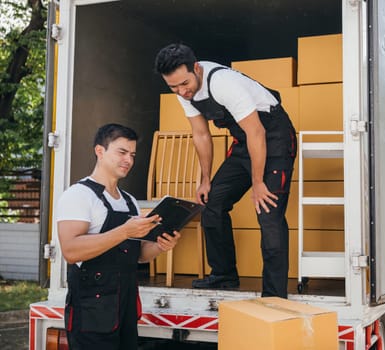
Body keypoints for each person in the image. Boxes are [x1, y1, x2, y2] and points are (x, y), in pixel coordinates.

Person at [154, 43, 297, 298]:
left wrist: (258, 181)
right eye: (173, 87)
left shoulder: (223, 83)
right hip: (244, 143)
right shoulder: (183, 91)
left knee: (268, 213)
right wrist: (206, 180)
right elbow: (200, 135)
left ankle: (274, 295)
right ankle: (224, 276)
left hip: (274, 140)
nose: (181, 91)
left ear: (196, 69)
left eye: (184, 83)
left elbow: (257, 131)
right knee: (213, 202)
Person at [56, 123, 181, 350]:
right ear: (100, 151)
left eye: (132, 154)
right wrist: (124, 230)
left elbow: (138, 255)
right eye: (122, 152)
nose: (129, 160)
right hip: (92, 312)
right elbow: (71, 251)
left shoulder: (129, 201)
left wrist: (161, 246)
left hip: (124, 308)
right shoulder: (78, 195)